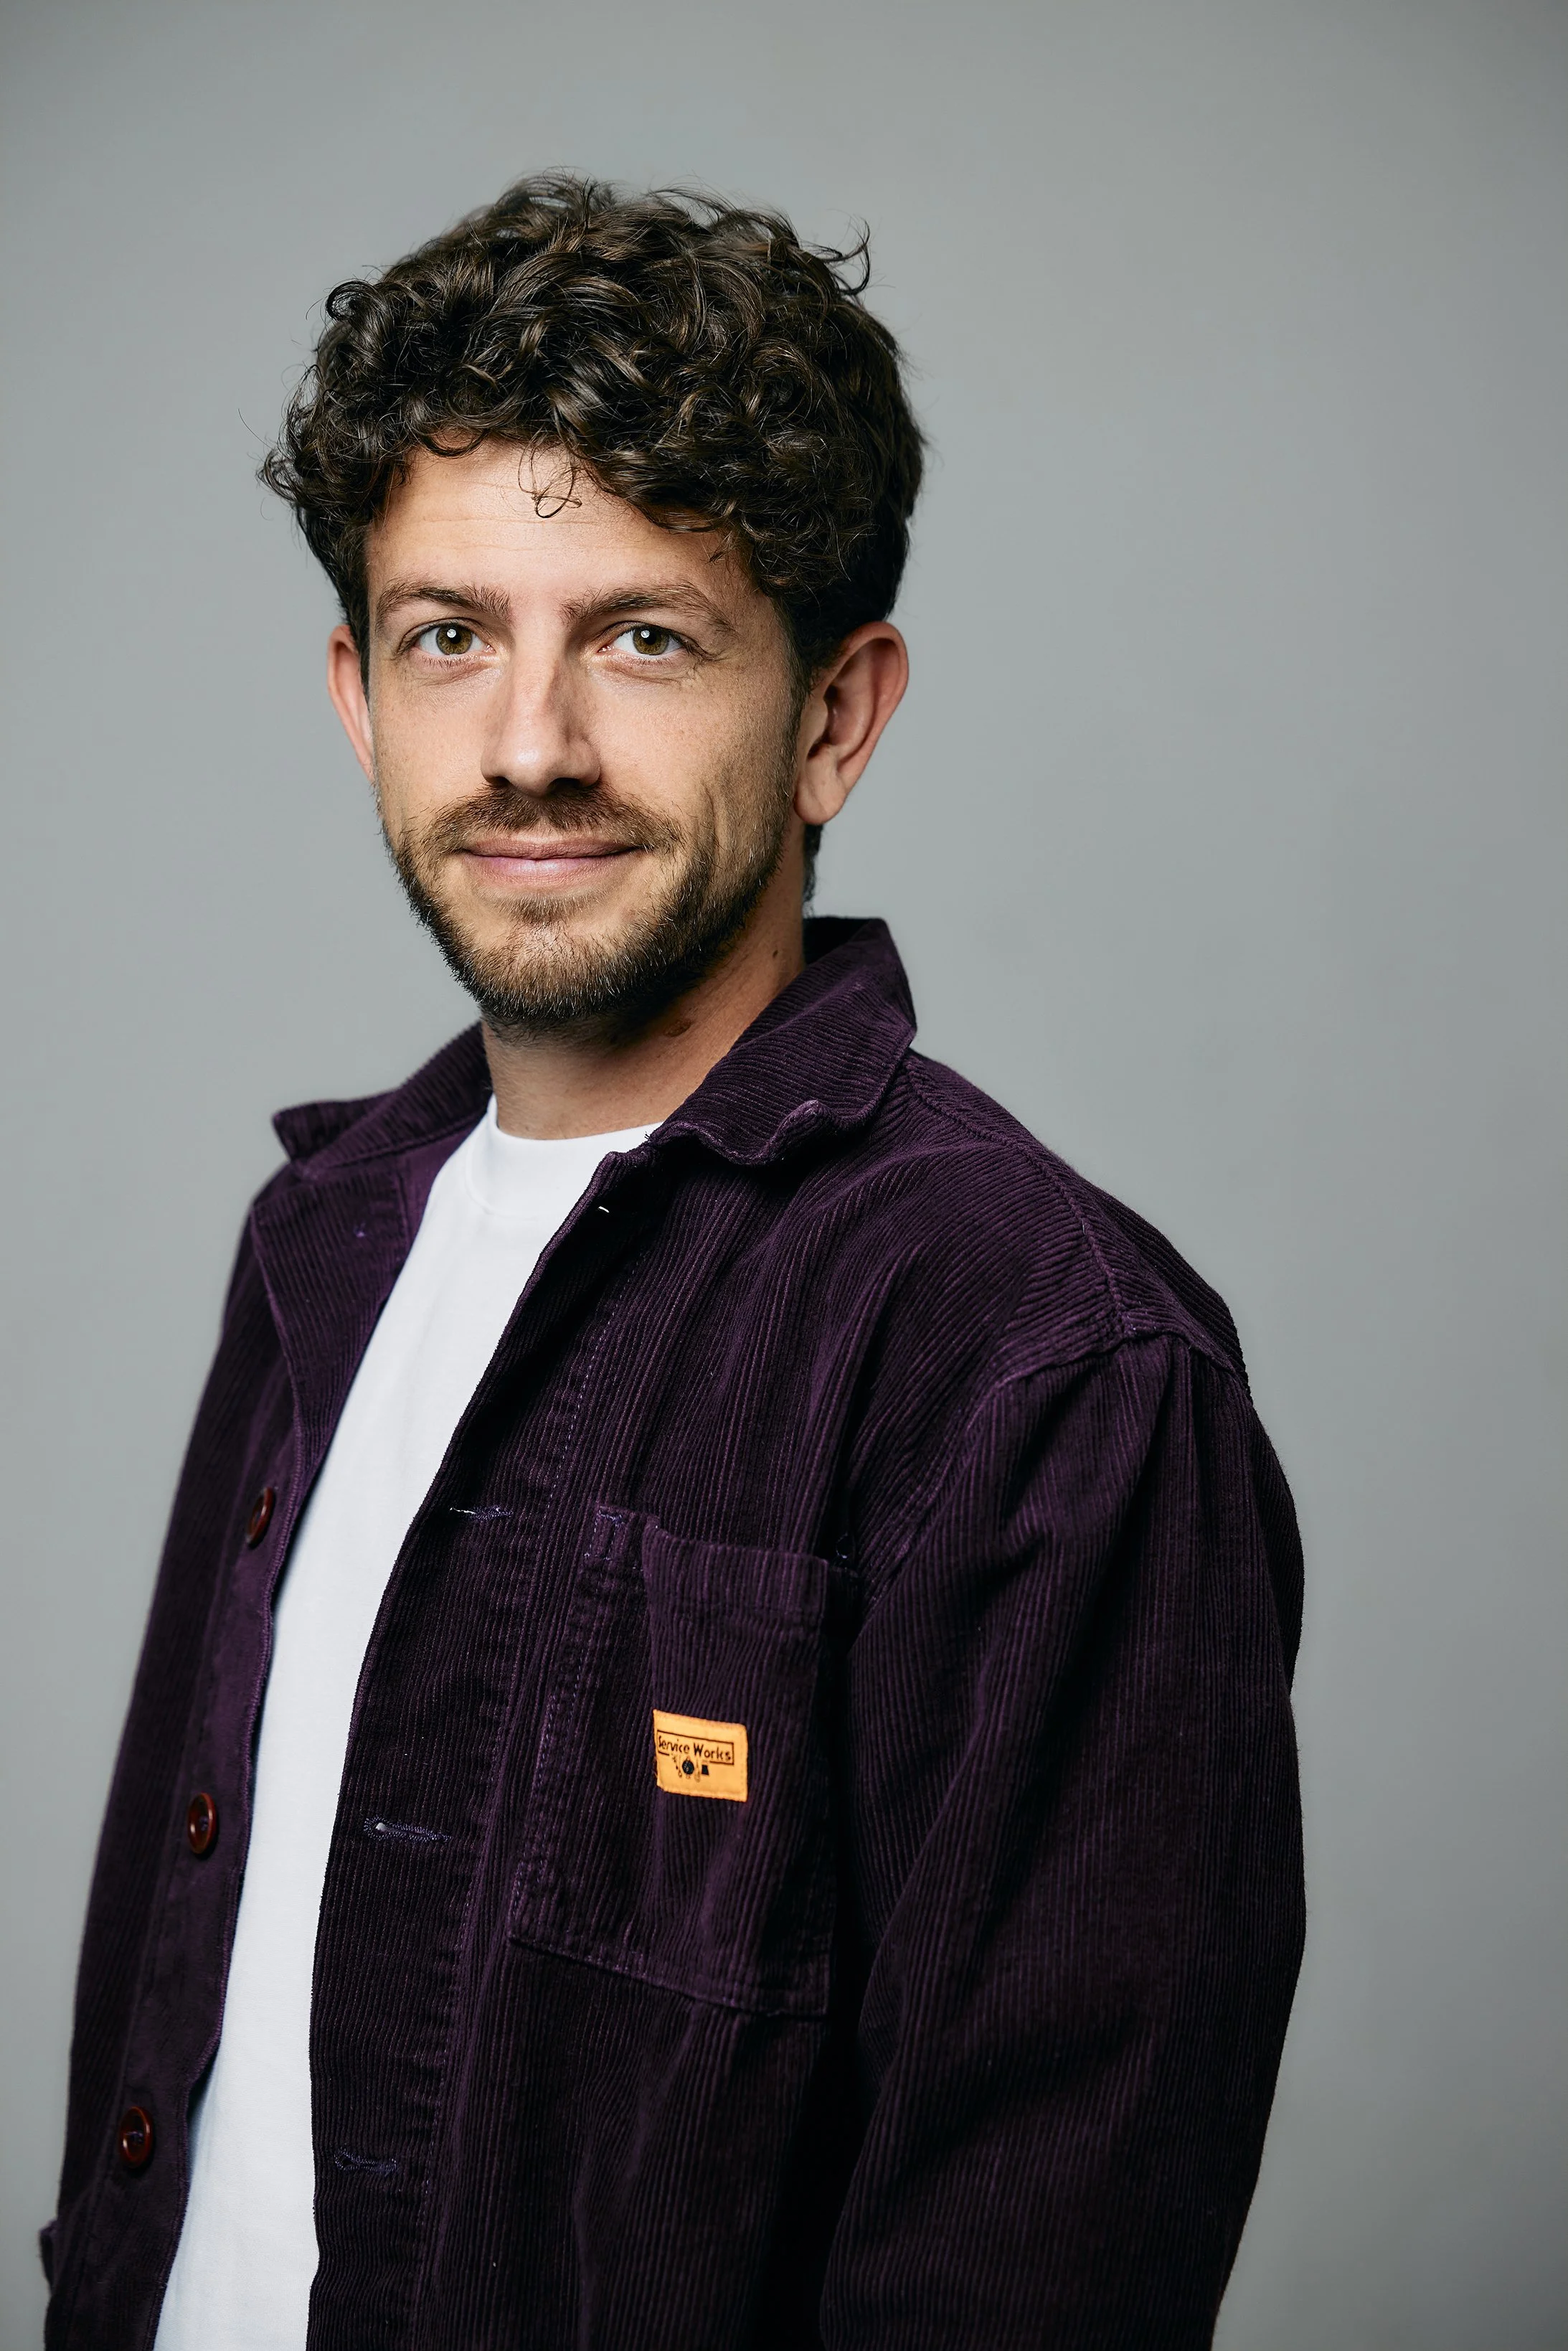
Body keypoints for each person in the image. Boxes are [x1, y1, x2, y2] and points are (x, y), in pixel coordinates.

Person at [43, 174, 1304, 2351]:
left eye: (644, 633)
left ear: (836, 713)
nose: (529, 740)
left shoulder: (1044, 1366)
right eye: (453, 633)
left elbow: (1034, 2275)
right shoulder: (323, 1248)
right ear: (358, 694)